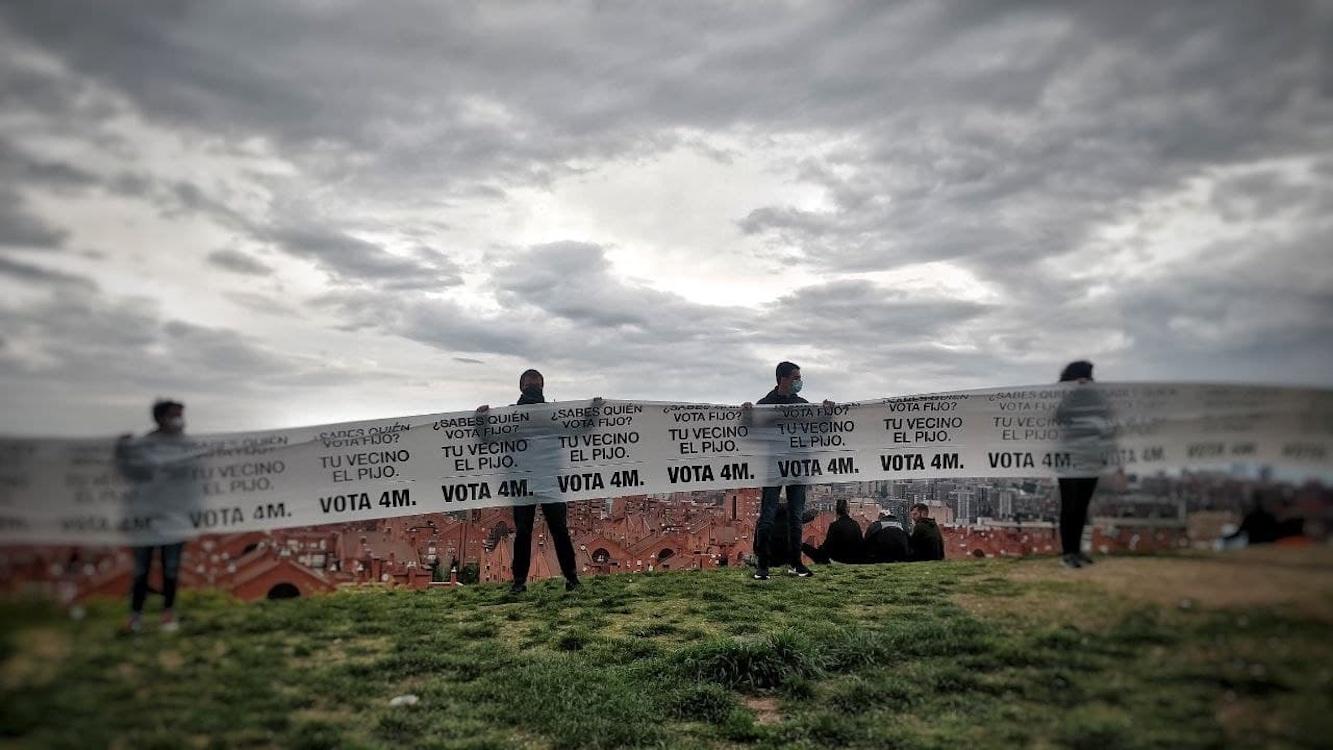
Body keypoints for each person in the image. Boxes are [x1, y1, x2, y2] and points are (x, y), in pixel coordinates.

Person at [476, 369, 583, 594]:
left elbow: (579, 430)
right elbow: (489, 439)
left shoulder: (551, 414)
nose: (534, 386)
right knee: (525, 532)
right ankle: (520, 582)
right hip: (524, 481)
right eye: (530, 382)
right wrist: (481, 421)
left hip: (548, 481)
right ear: (522, 386)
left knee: (557, 531)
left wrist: (594, 412)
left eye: (536, 382)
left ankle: (570, 579)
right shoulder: (513, 416)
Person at [743, 361, 836, 580]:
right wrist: (748, 414)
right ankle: (762, 565)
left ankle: (795, 563)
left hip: (798, 465)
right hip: (774, 465)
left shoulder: (802, 405)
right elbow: (751, 432)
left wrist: (827, 414)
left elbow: (817, 431)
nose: (799, 382)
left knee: (795, 517)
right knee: (767, 517)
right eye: (796, 378)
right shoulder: (765, 404)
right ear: (782, 379)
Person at [115, 399, 190, 634]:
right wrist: (122, 451)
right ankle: (135, 615)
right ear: (160, 418)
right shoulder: (144, 446)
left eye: (181, 415)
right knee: (141, 570)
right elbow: (130, 474)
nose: (179, 420)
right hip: (146, 517)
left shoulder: (187, 446)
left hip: (175, 517)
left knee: (171, 569)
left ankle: (168, 614)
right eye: (174, 415)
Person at [1055, 360, 1113, 569]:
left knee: (1081, 507)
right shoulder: (1063, 397)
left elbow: (1108, 421)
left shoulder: (1098, 399)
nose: (1088, 380)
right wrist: (1074, 392)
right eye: (1084, 376)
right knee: (1069, 506)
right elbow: (1058, 417)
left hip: (1091, 458)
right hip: (1068, 459)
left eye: (1090, 377)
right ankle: (1068, 552)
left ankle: (1077, 551)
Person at [801, 498, 864, 564]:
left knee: (807, 548)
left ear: (836, 511)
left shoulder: (834, 526)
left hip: (838, 560)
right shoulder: (855, 525)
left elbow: (827, 547)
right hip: (853, 559)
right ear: (848, 511)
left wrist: (819, 549)